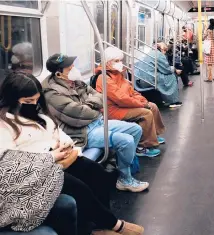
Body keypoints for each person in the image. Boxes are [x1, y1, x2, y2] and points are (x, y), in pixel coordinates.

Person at [0, 72, 145, 235]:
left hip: (60, 158)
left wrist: (64, 145)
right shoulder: (4, 125)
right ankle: (113, 224)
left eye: (36, 100)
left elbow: (59, 134)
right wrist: (51, 155)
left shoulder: (39, 116)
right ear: (12, 99)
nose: (33, 104)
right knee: (79, 188)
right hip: (38, 173)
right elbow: (11, 161)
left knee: (98, 174)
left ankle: (98, 227)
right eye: (28, 102)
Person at [41, 53, 149, 193]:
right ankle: (125, 180)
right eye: (69, 68)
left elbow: (99, 96)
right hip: (82, 132)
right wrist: (94, 107)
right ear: (59, 74)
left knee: (135, 129)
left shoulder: (76, 82)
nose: (74, 69)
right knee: (126, 141)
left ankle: (121, 166)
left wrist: (90, 105)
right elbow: (79, 113)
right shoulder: (52, 93)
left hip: (97, 122)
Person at [95, 47, 165, 157]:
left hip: (124, 106)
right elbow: (121, 99)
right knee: (145, 113)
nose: (120, 63)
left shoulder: (118, 74)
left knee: (153, 106)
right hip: (113, 110)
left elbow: (131, 91)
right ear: (108, 62)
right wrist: (142, 104)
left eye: (120, 60)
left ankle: (154, 134)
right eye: (116, 61)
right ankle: (142, 146)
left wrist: (143, 100)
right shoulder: (104, 78)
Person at [135, 42, 182, 107]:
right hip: (150, 78)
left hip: (142, 79)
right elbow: (166, 69)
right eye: (165, 50)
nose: (165, 53)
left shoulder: (150, 53)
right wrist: (174, 69)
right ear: (163, 49)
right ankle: (172, 101)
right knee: (171, 76)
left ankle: (162, 99)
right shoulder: (159, 54)